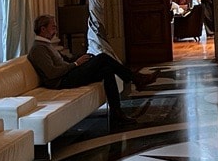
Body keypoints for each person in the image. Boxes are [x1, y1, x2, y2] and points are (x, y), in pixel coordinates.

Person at [27, 15, 158, 129]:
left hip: (68, 74)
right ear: (43, 29)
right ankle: (136, 79)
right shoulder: (38, 49)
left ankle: (117, 113)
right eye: (53, 27)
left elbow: (63, 62)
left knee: (107, 69)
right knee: (103, 58)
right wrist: (75, 64)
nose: (55, 31)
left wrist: (78, 60)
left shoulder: (46, 45)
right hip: (62, 81)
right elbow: (52, 73)